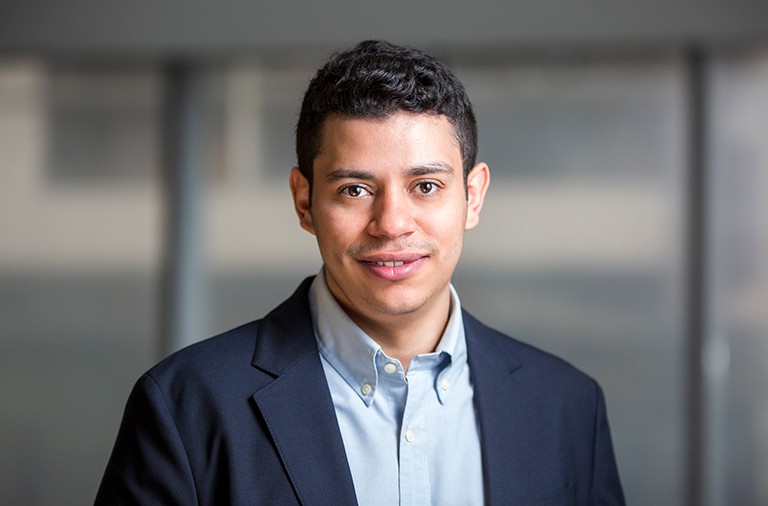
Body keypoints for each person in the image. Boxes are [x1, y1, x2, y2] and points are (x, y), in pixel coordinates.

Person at [96, 40, 624, 505]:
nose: (391, 224)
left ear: (473, 195)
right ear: (305, 203)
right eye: (355, 189)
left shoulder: (567, 406)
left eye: (426, 186)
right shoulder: (186, 407)